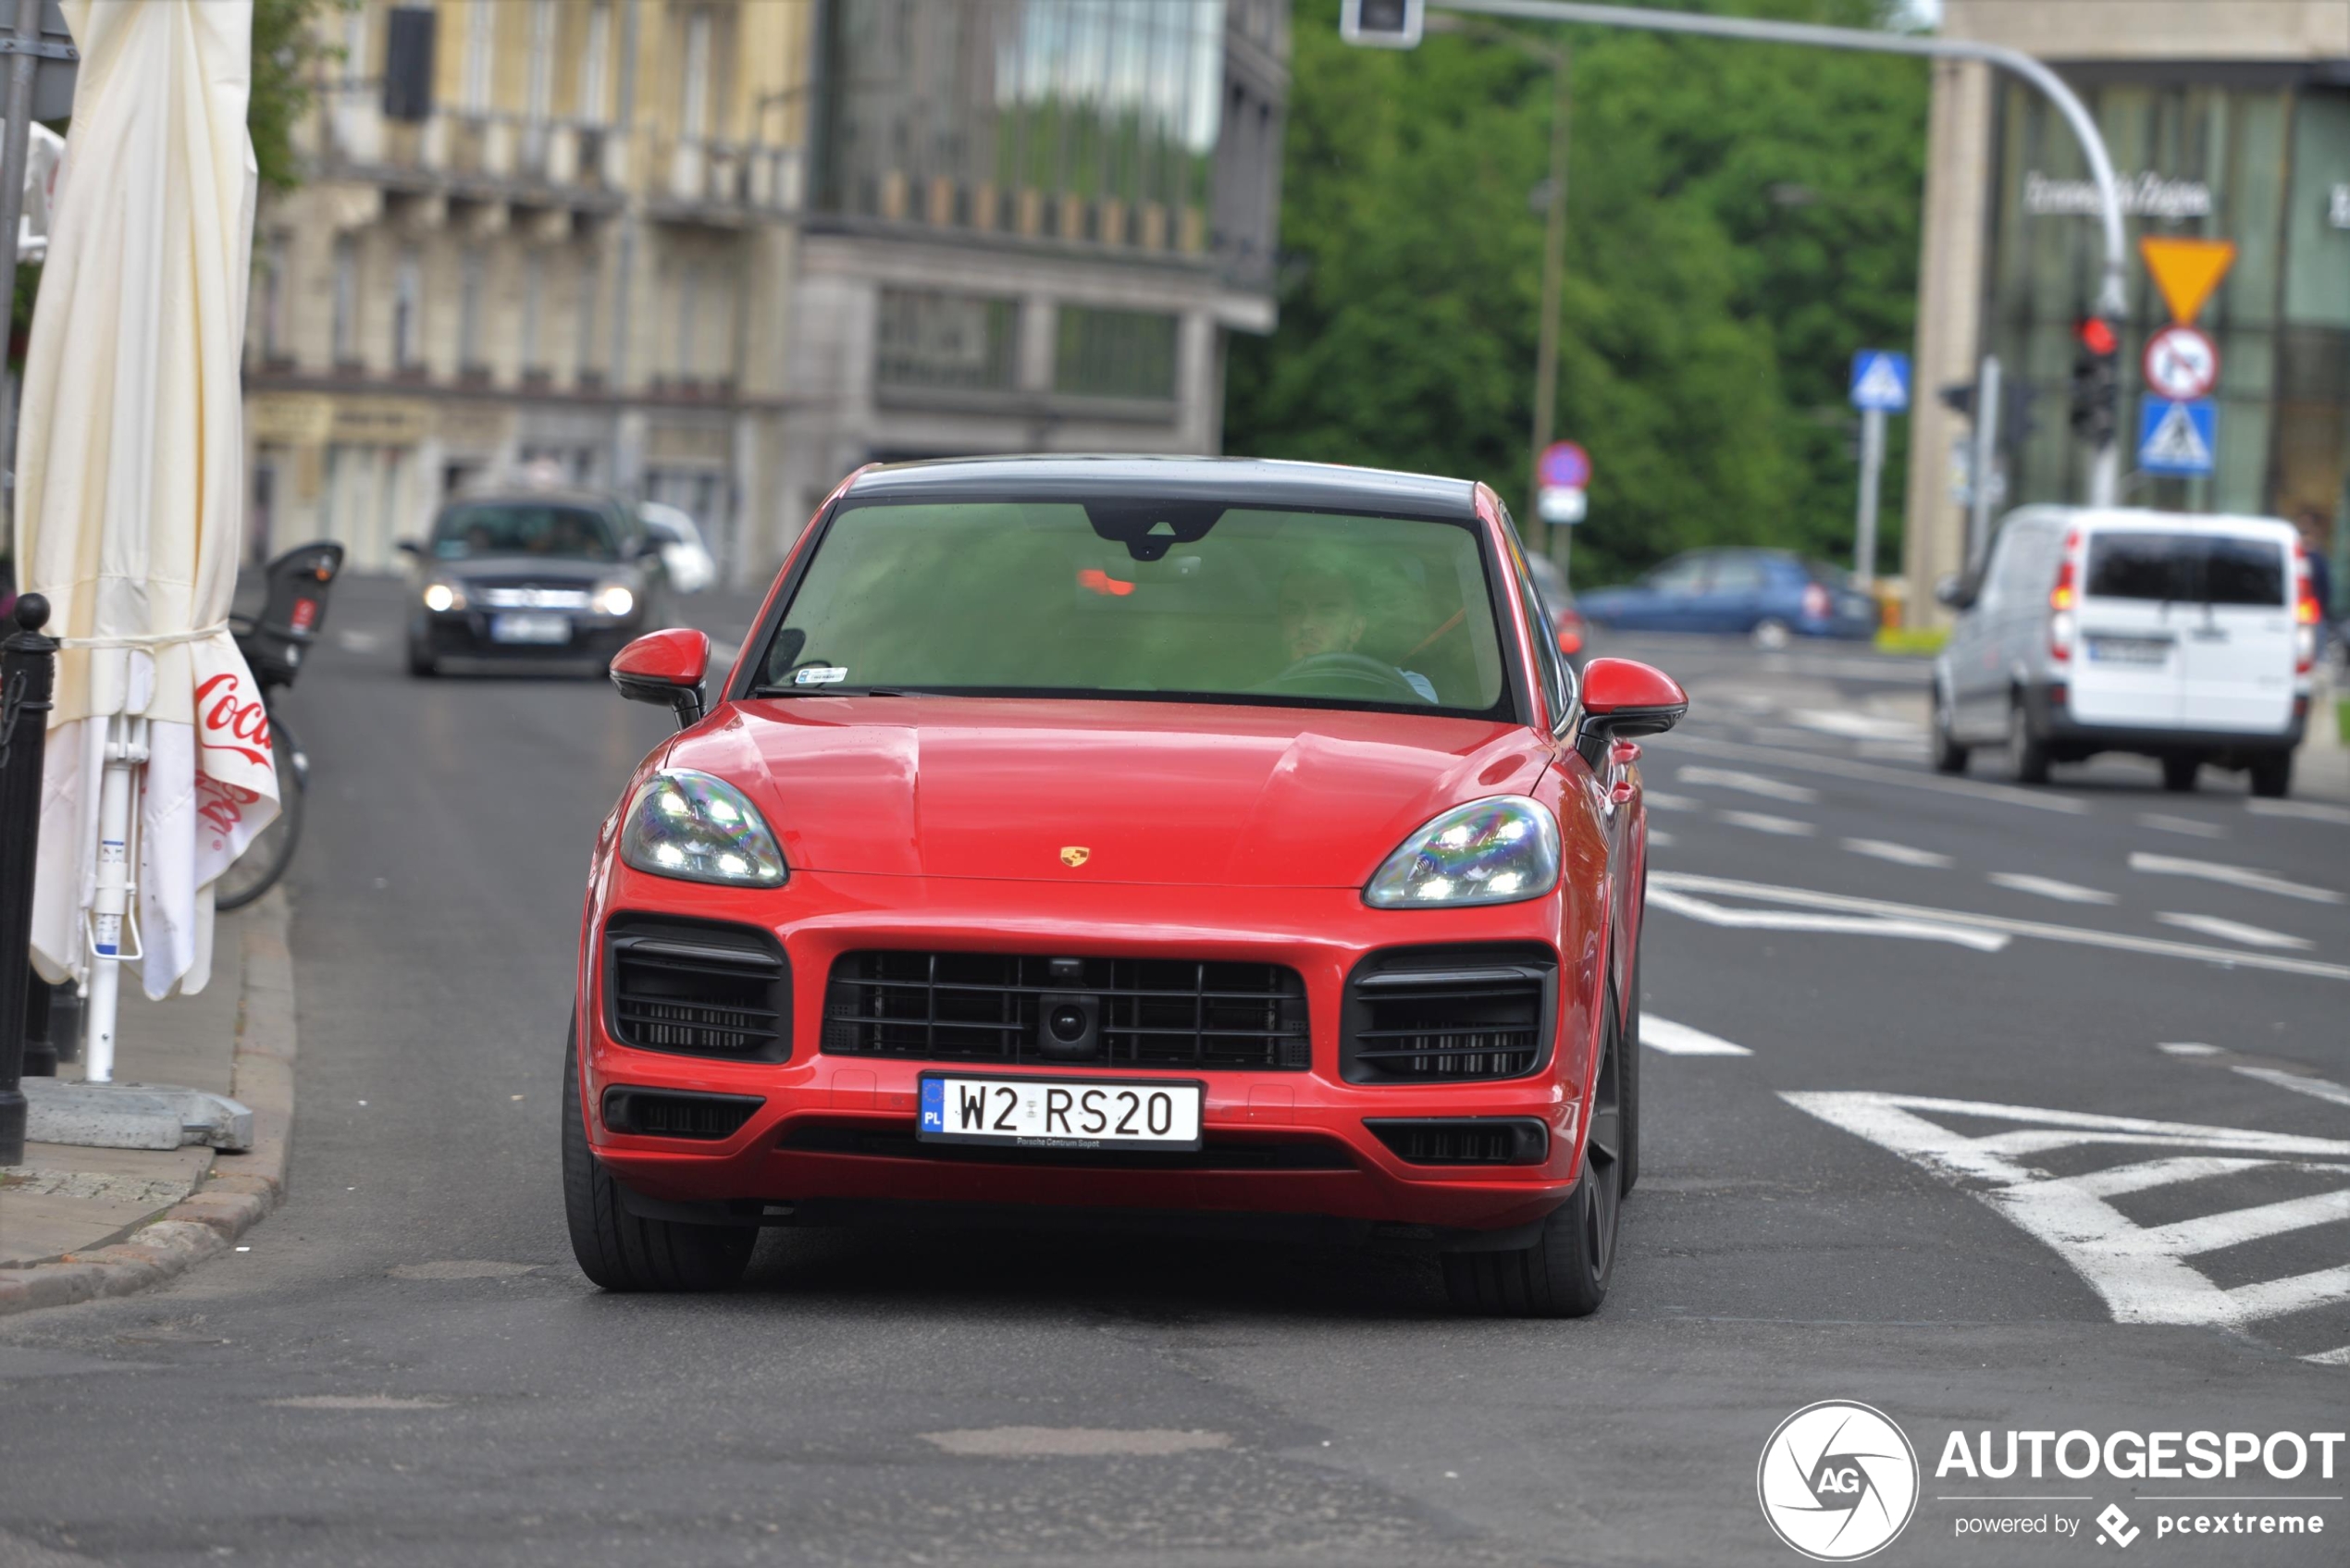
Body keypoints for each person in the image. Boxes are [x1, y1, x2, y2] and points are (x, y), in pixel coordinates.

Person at [1275, 566, 1438, 702]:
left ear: (1355, 628)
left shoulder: (1406, 688)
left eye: (1327, 612)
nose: (1306, 624)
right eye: (1292, 611)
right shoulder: (1252, 688)